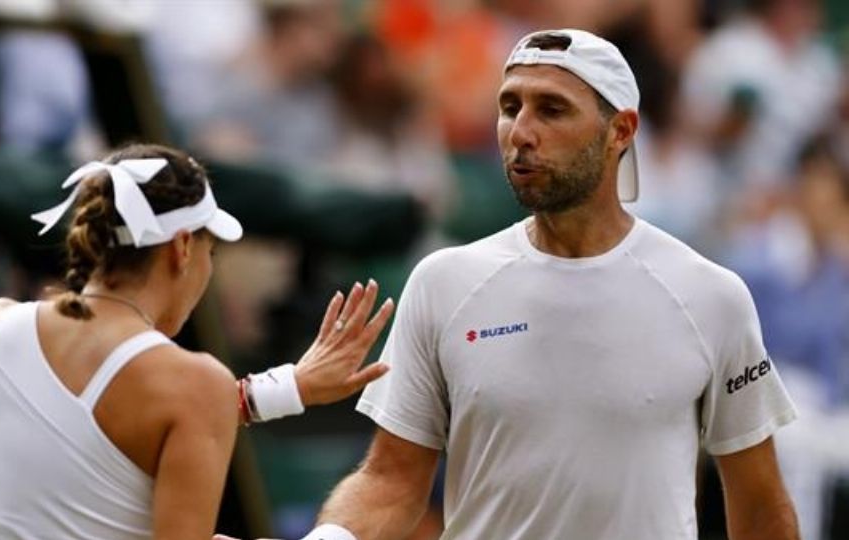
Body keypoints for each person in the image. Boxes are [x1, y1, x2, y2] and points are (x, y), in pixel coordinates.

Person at [217, 28, 800, 540]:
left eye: (552, 109)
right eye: (509, 106)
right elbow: (392, 480)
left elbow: (757, 501)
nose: (520, 131)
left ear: (620, 130)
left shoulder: (712, 296)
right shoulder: (444, 283)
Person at [0, 143, 394, 539]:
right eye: (212, 252)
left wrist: (288, 388)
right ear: (182, 247)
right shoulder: (193, 386)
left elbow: (85, 438)